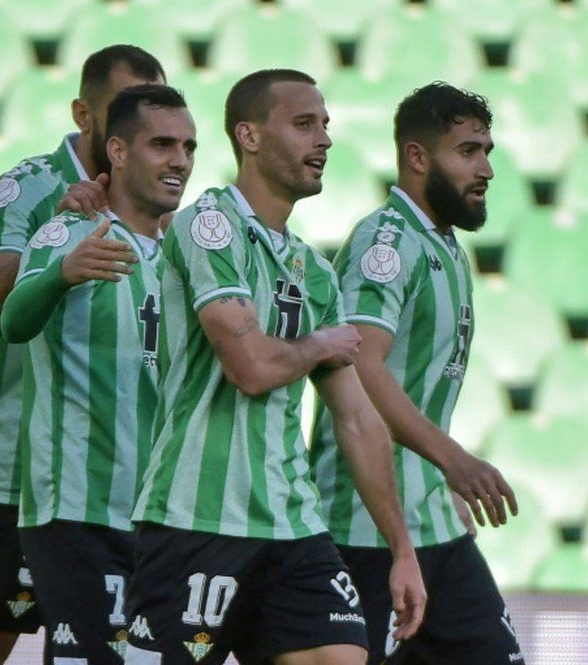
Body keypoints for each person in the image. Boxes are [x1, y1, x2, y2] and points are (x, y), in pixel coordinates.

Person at [122, 69, 426, 665]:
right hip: (196, 521)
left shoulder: (313, 270)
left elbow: (358, 422)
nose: (325, 140)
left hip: (292, 524)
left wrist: (402, 549)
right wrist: (317, 344)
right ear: (250, 136)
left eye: (326, 126)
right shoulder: (209, 226)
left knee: (341, 656)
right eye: (304, 124)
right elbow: (252, 369)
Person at [0, 45, 166, 665]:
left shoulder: (161, 212)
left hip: (113, 482)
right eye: (124, 106)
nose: (141, 120)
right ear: (84, 114)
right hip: (13, 468)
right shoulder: (32, 187)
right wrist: (58, 252)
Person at [309, 82, 526, 664]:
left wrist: (437, 480)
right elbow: (360, 365)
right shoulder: (387, 244)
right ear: (418, 157)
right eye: (468, 152)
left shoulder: (444, 244)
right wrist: (453, 461)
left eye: (487, 151)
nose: (485, 168)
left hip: (433, 525)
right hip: (363, 528)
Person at [0, 83, 196, 665]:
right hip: (78, 506)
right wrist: (62, 275)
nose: (179, 160)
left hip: (159, 513)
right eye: (161, 144)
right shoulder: (72, 231)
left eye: (188, 146)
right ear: (116, 150)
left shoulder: (185, 253)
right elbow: (11, 322)